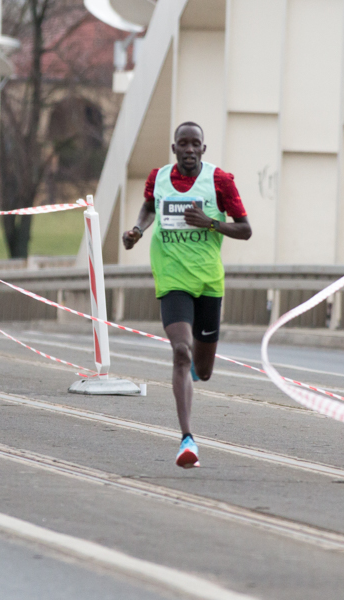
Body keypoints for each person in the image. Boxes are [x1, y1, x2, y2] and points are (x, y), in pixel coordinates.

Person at [122, 121, 251, 468]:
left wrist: (209, 222)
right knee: (181, 351)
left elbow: (245, 229)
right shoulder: (158, 177)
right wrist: (137, 230)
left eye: (196, 144)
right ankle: (186, 439)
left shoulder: (221, 181)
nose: (190, 149)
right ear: (175, 148)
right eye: (184, 143)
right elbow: (150, 207)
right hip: (172, 277)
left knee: (203, 370)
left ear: (203, 150)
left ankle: (195, 370)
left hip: (208, 281)